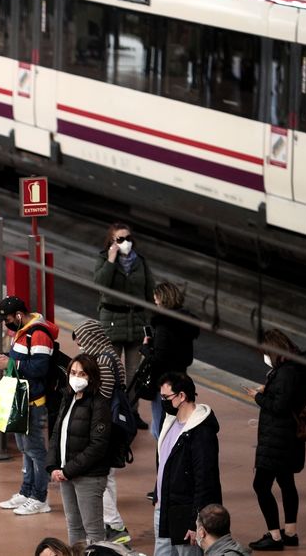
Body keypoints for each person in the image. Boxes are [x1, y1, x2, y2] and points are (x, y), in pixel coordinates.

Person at [0, 295, 59, 516]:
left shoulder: (38, 334)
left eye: (8, 319)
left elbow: (40, 368)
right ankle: (26, 491)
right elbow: (24, 358)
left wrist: (9, 362)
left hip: (33, 401)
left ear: (18, 315)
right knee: (24, 448)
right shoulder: (22, 331)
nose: (7, 325)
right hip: (20, 399)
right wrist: (7, 357)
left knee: (36, 450)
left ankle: (40, 497)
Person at [246, 329, 306, 551]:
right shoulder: (296, 367)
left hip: (278, 438)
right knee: (286, 482)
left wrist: (257, 396)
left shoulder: (286, 372)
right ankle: (290, 533)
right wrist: (269, 390)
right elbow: (288, 396)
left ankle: (274, 537)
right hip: (289, 438)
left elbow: (279, 407)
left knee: (261, 485)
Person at [72, 320, 132, 544]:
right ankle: (110, 523)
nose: (79, 344)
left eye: (81, 339)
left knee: (97, 479)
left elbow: (102, 396)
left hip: (102, 427)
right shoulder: (110, 355)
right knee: (107, 478)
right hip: (112, 427)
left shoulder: (103, 361)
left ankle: (115, 525)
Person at [48, 353, 112, 546]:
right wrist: (53, 466)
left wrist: (67, 470)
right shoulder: (68, 399)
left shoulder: (99, 405)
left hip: (89, 477)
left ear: (91, 377)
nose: (76, 377)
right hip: (66, 474)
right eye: (73, 372)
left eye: (82, 374)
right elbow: (57, 434)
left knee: (93, 532)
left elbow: (97, 446)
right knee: (74, 526)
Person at [95, 222, 155, 426]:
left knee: (133, 374)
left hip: (136, 322)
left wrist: (149, 321)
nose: (126, 243)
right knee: (111, 371)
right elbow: (101, 285)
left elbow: (149, 291)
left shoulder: (141, 262)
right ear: (111, 242)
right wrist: (111, 261)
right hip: (112, 322)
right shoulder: (104, 259)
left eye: (128, 238)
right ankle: (111, 412)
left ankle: (131, 413)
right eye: (120, 239)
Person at [155, 372, 222, 556]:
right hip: (164, 510)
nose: (163, 401)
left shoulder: (201, 433)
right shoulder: (169, 422)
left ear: (182, 396)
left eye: (166, 397)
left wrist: (195, 522)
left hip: (186, 517)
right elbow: (163, 463)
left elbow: (205, 480)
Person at [143, 282, 199, 442]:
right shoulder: (186, 324)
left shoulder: (163, 325)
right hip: (181, 379)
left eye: (156, 301)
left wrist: (146, 348)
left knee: (159, 429)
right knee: (178, 422)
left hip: (163, 382)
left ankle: (164, 462)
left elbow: (158, 358)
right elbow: (187, 356)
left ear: (163, 300)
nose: (155, 304)